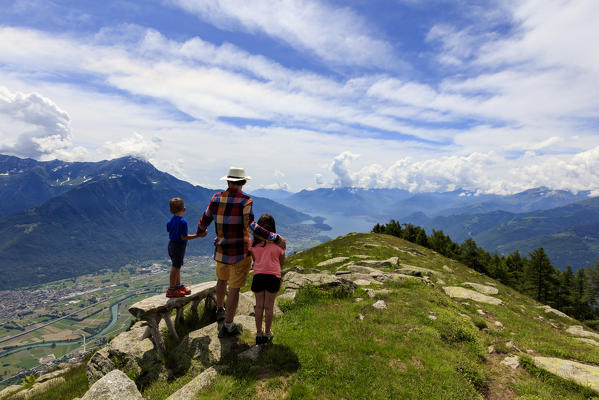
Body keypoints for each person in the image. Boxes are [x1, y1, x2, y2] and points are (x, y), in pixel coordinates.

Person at [196, 167, 286, 337]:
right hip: (239, 253)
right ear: (244, 182)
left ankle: (220, 309)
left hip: (221, 250)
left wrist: (200, 230)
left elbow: (205, 218)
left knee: (221, 280)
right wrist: (274, 237)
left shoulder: (215, 198)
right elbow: (251, 227)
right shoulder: (245, 201)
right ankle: (228, 325)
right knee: (235, 289)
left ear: (228, 181)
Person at [249, 214, 285, 345]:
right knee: (269, 307)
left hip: (258, 276)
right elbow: (282, 262)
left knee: (259, 306)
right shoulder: (279, 245)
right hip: (273, 277)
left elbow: (255, 260)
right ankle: (268, 333)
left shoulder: (253, 244)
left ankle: (259, 333)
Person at [166, 197, 204, 298]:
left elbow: (169, 230)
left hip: (171, 245)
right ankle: (171, 289)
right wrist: (198, 235)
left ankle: (177, 286)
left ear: (170, 211)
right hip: (179, 246)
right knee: (175, 268)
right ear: (184, 209)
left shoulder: (170, 221)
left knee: (177, 266)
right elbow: (184, 236)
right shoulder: (183, 222)